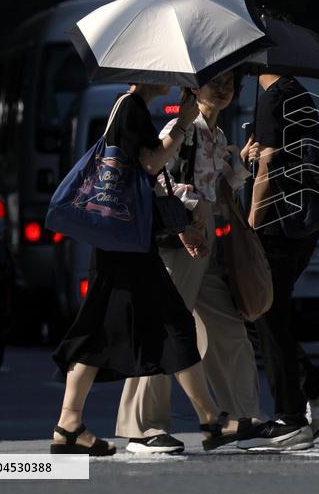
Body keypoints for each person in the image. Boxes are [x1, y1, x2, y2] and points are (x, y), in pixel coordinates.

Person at [50, 83, 260, 456]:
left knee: (97, 329)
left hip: (123, 239)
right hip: (128, 241)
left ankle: (69, 424)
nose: (170, 78)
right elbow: (150, 165)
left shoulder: (132, 108)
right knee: (170, 322)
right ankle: (209, 419)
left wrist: (181, 226)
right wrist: (181, 123)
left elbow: (149, 179)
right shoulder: (132, 107)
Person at [115, 72, 268, 454]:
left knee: (228, 327)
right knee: (164, 328)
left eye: (230, 81)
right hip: (181, 242)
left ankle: (241, 417)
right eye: (213, 81)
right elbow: (159, 181)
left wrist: (242, 164)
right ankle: (143, 428)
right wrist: (185, 222)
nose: (224, 87)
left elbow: (216, 190)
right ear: (192, 89)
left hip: (205, 242)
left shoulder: (214, 135)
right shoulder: (181, 128)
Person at [241, 71, 319, 450]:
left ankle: (291, 416)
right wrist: (247, 156)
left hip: (277, 227)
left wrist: (251, 223)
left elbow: (268, 167)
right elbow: (275, 153)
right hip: (300, 225)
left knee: (264, 315)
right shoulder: (297, 94)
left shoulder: (273, 97)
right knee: (266, 316)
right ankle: (313, 390)